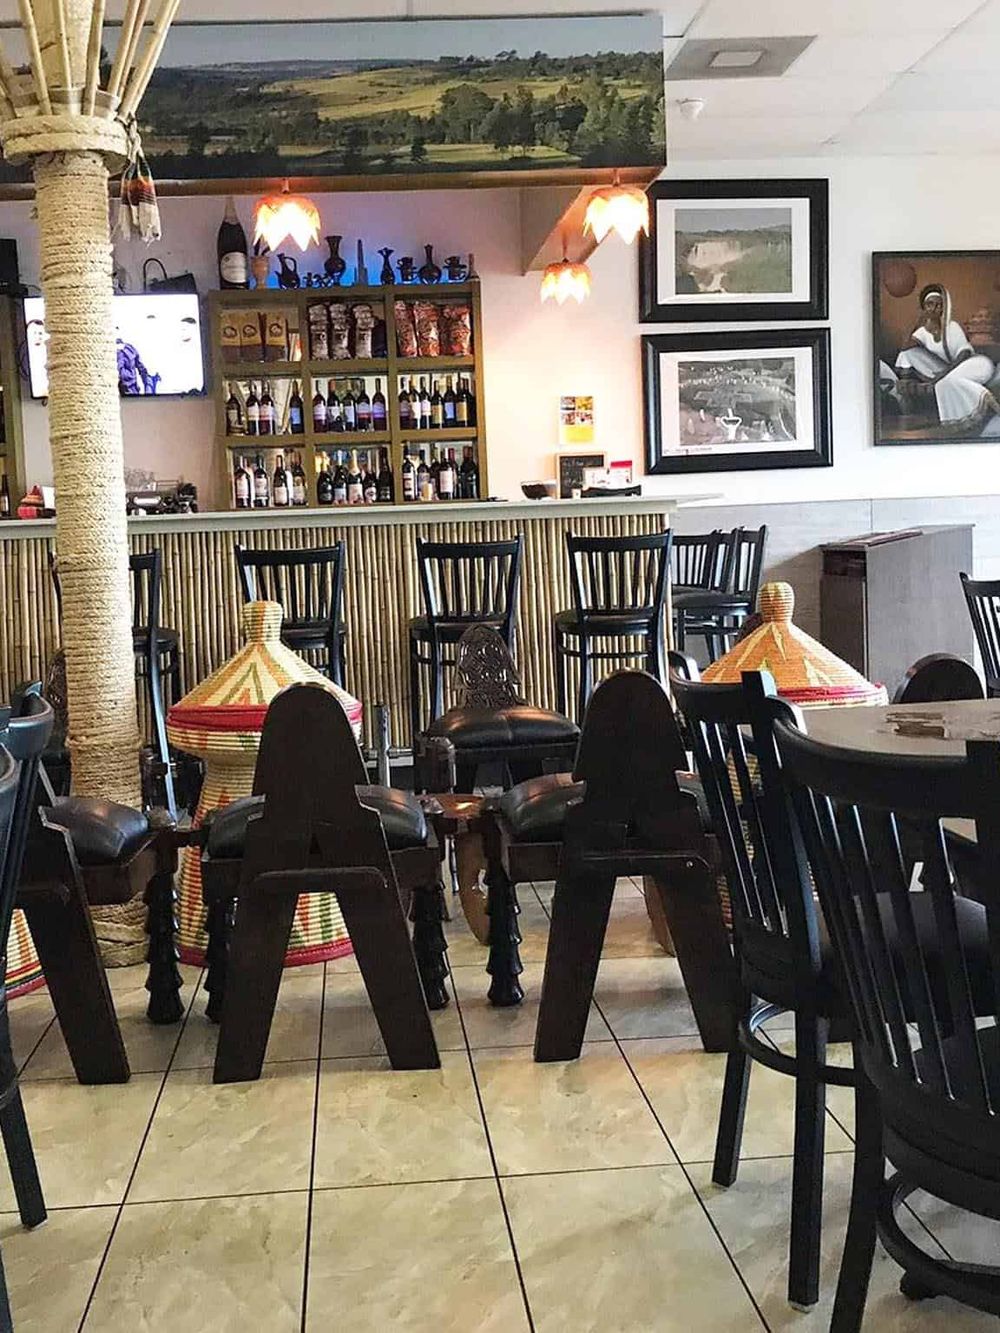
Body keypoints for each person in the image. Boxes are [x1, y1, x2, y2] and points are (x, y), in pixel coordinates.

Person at [893, 283, 999, 430]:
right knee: (908, 353)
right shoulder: (922, 332)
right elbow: (904, 347)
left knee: (944, 383)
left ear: (944, 307)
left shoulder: (952, 326)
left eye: (938, 305)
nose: (934, 308)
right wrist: (918, 319)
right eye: (930, 304)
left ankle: (985, 401)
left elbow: (964, 354)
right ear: (924, 307)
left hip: (975, 364)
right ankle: (907, 397)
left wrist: (941, 375)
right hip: (947, 369)